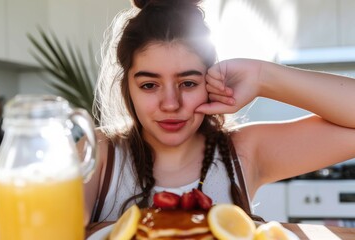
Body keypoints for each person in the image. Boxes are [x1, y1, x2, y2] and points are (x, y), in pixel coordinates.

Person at [84, 0, 355, 224]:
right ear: (127, 88)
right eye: (149, 85)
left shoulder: (244, 151)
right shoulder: (96, 153)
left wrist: (263, 76)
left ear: (209, 82)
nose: (170, 103)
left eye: (188, 83)